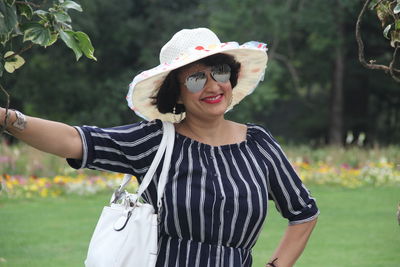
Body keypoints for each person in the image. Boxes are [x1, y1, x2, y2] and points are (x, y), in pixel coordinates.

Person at [0, 28, 319, 267]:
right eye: (196, 79)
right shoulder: (153, 141)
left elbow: (304, 212)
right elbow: (75, 140)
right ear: (176, 93)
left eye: (219, 73)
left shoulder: (258, 144)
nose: (212, 86)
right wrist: (8, 118)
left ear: (231, 78)